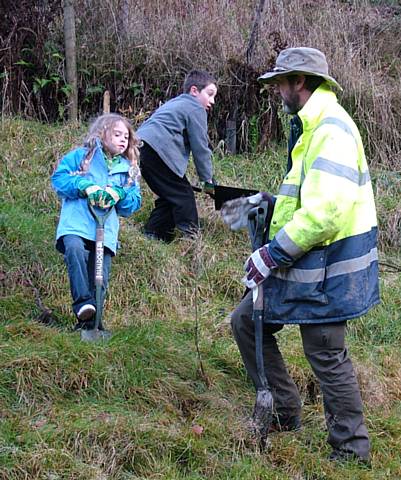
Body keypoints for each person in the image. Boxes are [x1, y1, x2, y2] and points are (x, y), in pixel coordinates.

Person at [226, 47, 379, 463]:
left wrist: (270, 256)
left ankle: (351, 450)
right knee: (247, 321)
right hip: (310, 262)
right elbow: (309, 199)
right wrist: (268, 204)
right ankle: (283, 409)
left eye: (279, 82)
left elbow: (325, 214)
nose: (275, 90)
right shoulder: (312, 127)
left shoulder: (330, 129)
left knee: (326, 352)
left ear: (299, 82)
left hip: (329, 267)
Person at [51, 113, 142, 331]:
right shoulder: (81, 157)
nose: (122, 140)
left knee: (100, 277)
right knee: (74, 249)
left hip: (106, 230)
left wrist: (119, 193)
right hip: (76, 223)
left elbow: (133, 203)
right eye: (117, 134)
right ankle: (83, 303)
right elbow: (59, 180)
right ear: (102, 134)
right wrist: (84, 185)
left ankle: (92, 325)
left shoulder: (127, 169)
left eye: (126, 137)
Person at [137, 70, 217, 241]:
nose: (212, 101)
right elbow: (200, 148)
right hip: (157, 149)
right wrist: (207, 180)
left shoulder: (176, 103)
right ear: (194, 90)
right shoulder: (195, 107)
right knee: (183, 195)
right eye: (209, 94)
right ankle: (191, 240)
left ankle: (154, 234)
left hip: (141, 148)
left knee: (170, 194)